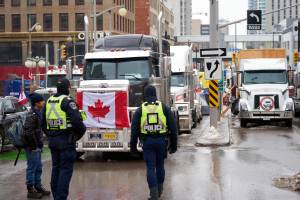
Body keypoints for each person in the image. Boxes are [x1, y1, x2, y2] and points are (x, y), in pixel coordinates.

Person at [130, 85, 178, 200]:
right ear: (155, 94)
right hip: (162, 141)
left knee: (151, 167)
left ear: (145, 95)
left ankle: (154, 194)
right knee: (160, 165)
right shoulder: (164, 107)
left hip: (148, 142)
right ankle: (160, 190)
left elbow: (134, 130)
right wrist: (174, 144)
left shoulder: (140, 109)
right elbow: (173, 127)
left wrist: (133, 147)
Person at [42, 78, 86, 200]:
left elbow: (43, 123)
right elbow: (78, 123)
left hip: (53, 141)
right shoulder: (67, 102)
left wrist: (51, 134)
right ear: (68, 88)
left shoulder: (49, 101)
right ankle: (60, 197)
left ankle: (56, 195)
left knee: (56, 169)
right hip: (66, 142)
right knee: (65, 170)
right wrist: (77, 136)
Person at [23, 93, 51, 199]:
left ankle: (38, 187)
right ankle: (30, 190)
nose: (43, 102)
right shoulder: (32, 115)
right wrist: (34, 146)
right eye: (42, 101)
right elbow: (28, 132)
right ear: (37, 103)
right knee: (32, 167)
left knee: (38, 167)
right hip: (32, 146)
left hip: (37, 145)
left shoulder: (38, 113)